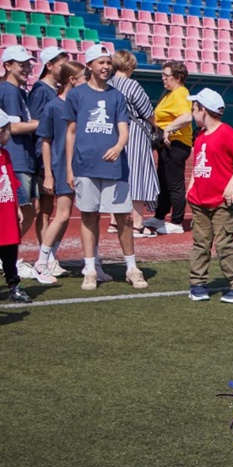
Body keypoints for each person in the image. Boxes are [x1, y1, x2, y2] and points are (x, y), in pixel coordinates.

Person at [63, 44, 147, 290]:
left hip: (114, 168)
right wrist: (69, 168)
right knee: (89, 216)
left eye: (108, 62)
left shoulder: (117, 96)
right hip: (85, 166)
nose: (106, 67)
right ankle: (90, 268)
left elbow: (124, 129)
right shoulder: (77, 95)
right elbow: (71, 132)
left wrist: (120, 145)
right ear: (89, 65)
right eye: (101, 62)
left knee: (124, 218)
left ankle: (131, 267)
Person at [185, 88, 233, 303]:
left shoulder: (226, 133)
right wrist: (192, 184)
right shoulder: (200, 136)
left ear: (203, 110)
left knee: (224, 244)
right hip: (199, 200)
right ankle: (197, 284)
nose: (192, 113)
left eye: (194, 109)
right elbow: (199, 164)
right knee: (200, 243)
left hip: (222, 202)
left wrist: (231, 185)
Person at [31, 60, 84, 285]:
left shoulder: (82, 105)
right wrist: (50, 174)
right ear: (72, 80)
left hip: (84, 166)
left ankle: (89, 263)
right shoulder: (54, 106)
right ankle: (41, 262)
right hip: (63, 167)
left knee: (86, 214)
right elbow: (45, 141)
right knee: (62, 215)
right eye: (83, 79)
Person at [109, 50, 160, 236]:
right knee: (138, 176)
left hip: (113, 133)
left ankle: (114, 221)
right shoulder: (132, 85)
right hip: (134, 133)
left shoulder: (108, 84)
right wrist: (156, 126)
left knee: (118, 176)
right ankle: (138, 223)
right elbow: (146, 111)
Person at [28, 45, 68, 250]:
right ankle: (46, 254)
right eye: (62, 65)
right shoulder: (41, 90)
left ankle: (50, 252)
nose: (66, 69)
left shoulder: (53, 91)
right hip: (46, 156)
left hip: (55, 155)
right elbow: (36, 124)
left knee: (51, 208)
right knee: (44, 208)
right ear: (50, 66)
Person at [0, 45, 39, 240]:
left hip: (25, 158)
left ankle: (9, 254)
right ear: (8, 65)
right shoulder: (9, 91)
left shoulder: (19, 92)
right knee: (21, 211)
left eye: (28, 65)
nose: (27, 69)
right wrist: (42, 124)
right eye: (21, 65)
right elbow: (13, 127)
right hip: (17, 158)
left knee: (30, 210)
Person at [151, 60, 192, 234]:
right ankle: (160, 216)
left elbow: (187, 116)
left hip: (176, 144)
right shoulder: (170, 94)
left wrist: (168, 128)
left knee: (174, 184)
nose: (163, 78)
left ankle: (176, 221)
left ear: (176, 77)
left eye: (166, 75)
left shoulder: (180, 94)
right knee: (164, 181)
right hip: (166, 145)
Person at [0, 113, 31, 303]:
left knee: (10, 251)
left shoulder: (5, 155)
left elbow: (11, 182)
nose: (10, 133)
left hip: (7, 211)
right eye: (7, 130)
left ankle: (13, 285)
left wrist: (17, 208)